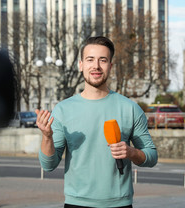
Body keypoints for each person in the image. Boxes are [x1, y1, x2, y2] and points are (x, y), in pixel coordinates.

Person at [35, 36, 157, 208]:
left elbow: (152, 156)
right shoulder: (63, 110)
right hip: (76, 203)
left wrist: (131, 152)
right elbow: (48, 165)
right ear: (81, 64)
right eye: (90, 59)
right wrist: (47, 137)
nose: (96, 66)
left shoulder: (130, 108)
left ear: (110, 66)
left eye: (103, 60)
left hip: (120, 204)